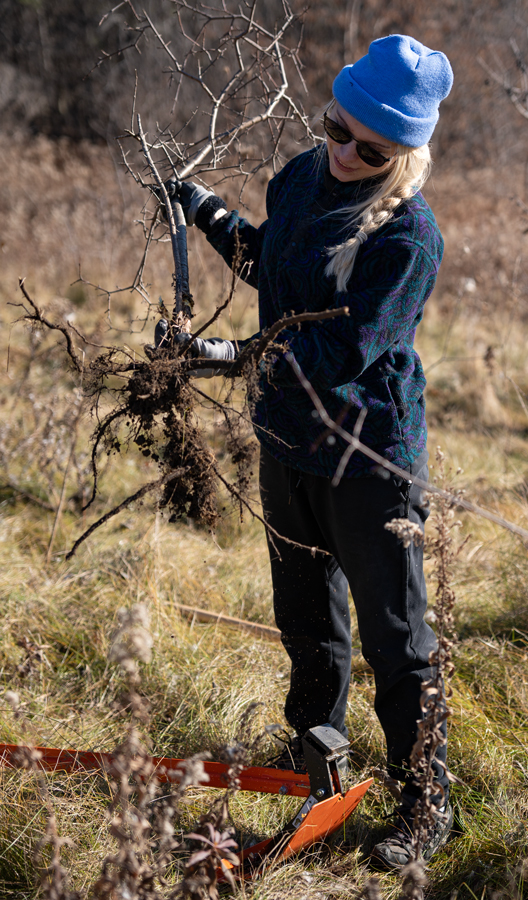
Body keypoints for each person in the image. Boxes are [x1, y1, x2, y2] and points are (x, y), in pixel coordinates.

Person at [162, 34, 454, 869]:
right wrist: (207, 211)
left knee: (397, 637)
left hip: (369, 457)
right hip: (287, 440)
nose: (350, 155)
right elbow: (276, 269)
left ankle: (424, 801)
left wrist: (226, 357)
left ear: (406, 151)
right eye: (340, 131)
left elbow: (344, 349)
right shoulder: (298, 176)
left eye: (376, 148)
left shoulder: (408, 239)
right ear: (329, 113)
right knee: (307, 623)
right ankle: (316, 755)